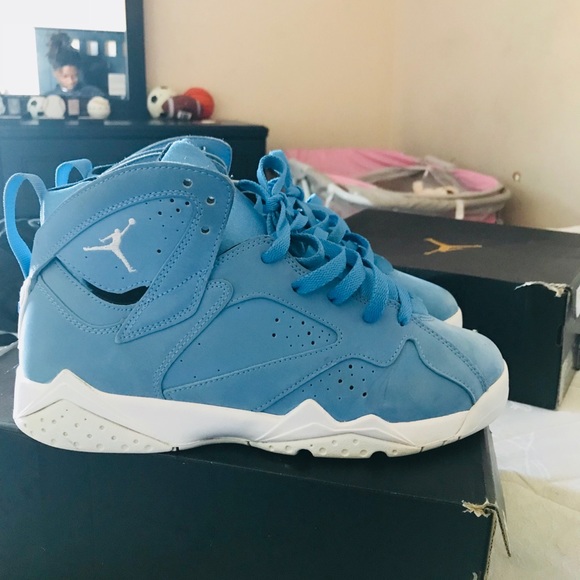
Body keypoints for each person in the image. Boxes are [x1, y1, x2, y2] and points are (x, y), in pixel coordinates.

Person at [45, 32, 105, 99]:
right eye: (65, 76)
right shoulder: (49, 98)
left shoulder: (93, 94)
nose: (71, 81)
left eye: (74, 75)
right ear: (55, 74)